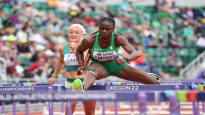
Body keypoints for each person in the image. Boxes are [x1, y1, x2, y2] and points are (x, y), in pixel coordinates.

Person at [76, 17, 160, 90]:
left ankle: (149, 76)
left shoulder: (118, 38)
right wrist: (81, 65)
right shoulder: (90, 40)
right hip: (99, 66)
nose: (104, 31)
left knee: (154, 82)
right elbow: (79, 51)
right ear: (98, 28)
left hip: (116, 65)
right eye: (102, 28)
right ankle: (81, 90)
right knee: (91, 72)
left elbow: (136, 52)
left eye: (107, 29)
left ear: (113, 29)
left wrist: (127, 58)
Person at [48, 24, 96, 115]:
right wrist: (54, 76)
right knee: (69, 110)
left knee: (90, 112)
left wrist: (76, 51)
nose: (73, 34)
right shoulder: (64, 48)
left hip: (87, 82)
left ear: (83, 34)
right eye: (71, 32)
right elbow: (61, 62)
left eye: (77, 33)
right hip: (71, 82)